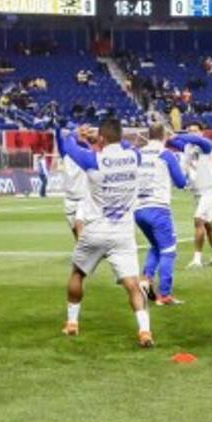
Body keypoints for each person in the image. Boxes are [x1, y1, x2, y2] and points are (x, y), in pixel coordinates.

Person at [60, 117, 153, 347]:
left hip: (95, 230)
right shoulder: (134, 156)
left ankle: (72, 323)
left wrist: (77, 134)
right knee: (132, 283)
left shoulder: (93, 159)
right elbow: (130, 146)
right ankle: (144, 331)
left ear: (101, 138)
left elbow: (68, 146)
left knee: (77, 274)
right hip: (122, 233)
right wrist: (104, 139)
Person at [135, 123, 188, 306]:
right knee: (168, 250)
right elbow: (181, 183)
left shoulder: (138, 153)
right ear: (164, 136)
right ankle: (164, 295)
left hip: (138, 209)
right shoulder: (166, 154)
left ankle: (146, 279)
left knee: (156, 246)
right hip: (158, 208)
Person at [168, 123, 212, 268]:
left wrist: (178, 135)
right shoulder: (187, 147)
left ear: (202, 132)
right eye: (190, 131)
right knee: (208, 224)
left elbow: (192, 140)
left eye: (195, 131)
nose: (192, 134)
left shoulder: (206, 145)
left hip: (208, 189)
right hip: (196, 191)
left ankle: (197, 260)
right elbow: (171, 142)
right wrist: (167, 136)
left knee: (198, 220)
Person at [55, 123, 90, 239]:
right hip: (69, 199)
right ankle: (86, 249)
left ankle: (84, 254)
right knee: (75, 230)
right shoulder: (65, 153)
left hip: (83, 198)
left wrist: (82, 135)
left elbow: (89, 147)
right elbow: (58, 139)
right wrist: (57, 127)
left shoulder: (85, 152)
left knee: (79, 224)